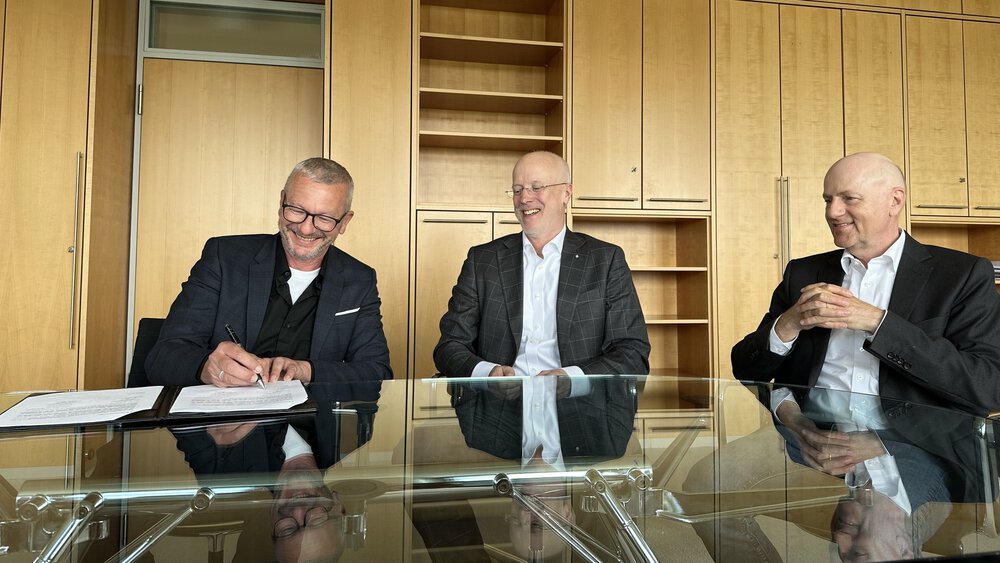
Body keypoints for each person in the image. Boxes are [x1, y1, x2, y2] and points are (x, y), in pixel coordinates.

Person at [685, 152, 1000, 561]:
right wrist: (789, 323)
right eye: (827, 199)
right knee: (706, 484)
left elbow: (985, 384)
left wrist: (878, 323)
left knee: (875, 542)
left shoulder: (959, 274)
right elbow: (747, 367)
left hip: (916, 443)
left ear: (895, 200)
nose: (834, 212)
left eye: (849, 198)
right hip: (808, 435)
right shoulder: (804, 272)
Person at [147, 157, 392, 387]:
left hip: (312, 429)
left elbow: (377, 372)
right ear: (281, 201)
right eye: (296, 210)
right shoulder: (223, 257)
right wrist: (206, 367)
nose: (306, 228)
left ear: (345, 222)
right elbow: (163, 357)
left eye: (325, 218)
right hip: (222, 426)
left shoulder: (360, 279)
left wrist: (306, 371)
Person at [433, 150, 650, 382]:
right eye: (517, 190)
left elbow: (632, 353)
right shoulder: (482, 261)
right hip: (498, 408)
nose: (524, 199)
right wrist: (489, 372)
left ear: (566, 193)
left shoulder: (605, 260)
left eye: (536, 187)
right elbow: (449, 346)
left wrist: (570, 377)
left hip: (579, 407)